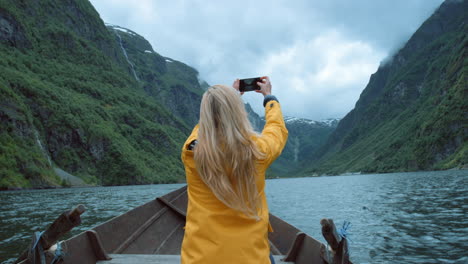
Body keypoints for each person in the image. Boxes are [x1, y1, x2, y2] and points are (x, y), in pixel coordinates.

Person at [180, 76, 288, 264]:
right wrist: (269, 98)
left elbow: (201, 130)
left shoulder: (191, 151)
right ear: (238, 113)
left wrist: (225, 99)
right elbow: (276, 130)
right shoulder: (258, 151)